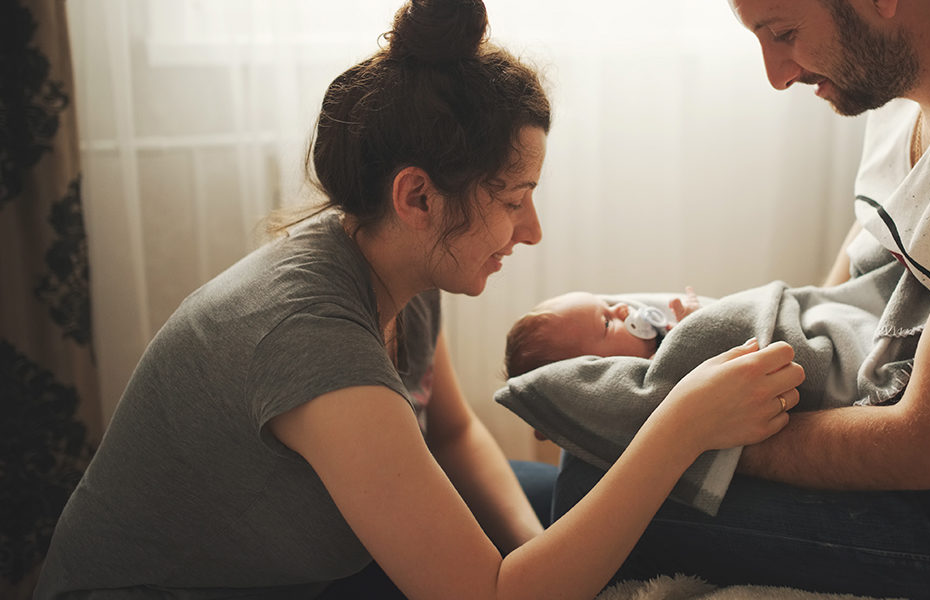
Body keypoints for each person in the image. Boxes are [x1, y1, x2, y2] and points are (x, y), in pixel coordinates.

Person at [33, 1, 806, 599]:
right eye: (513, 200)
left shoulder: (394, 269)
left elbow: (455, 431)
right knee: (614, 504)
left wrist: (532, 543)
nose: (531, 231)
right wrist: (679, 426)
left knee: (592, 497)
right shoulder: (311, 339)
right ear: (417, 197)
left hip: (311, 565)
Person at [552, 0, 930, 599]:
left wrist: (682, 436)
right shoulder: (901, 92)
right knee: (599, 460)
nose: (776, 75)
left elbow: (926, 448)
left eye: (783, 32)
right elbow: (840, 293)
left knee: (595, 487)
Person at [504, 287, 703, 377]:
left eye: (608, 305)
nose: (622, 308)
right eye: (607, 322)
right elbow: (682, 362)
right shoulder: (646, 375)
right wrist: (691, 326)